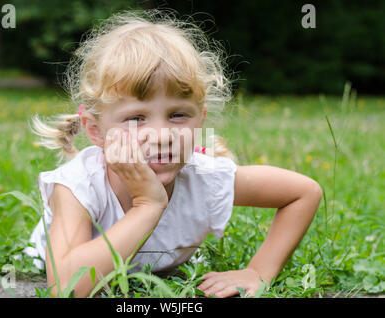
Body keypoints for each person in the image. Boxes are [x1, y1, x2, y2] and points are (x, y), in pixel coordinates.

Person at [23, 10, 323, 298]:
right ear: (97, 131)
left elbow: (303, 193)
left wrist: (258, 271)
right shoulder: (79, 186)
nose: (162, 136)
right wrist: (147, 206)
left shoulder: (203, 178)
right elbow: (65, 289)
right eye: (136, 118)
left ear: (200, 119)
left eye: (178, 115)